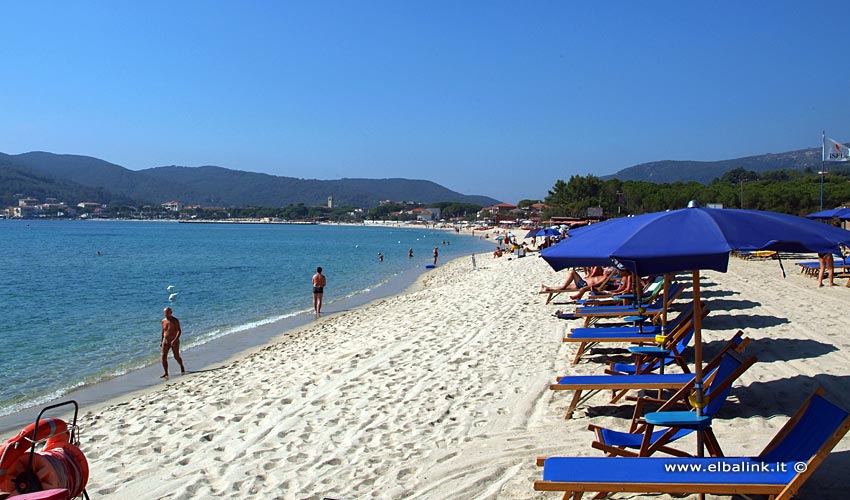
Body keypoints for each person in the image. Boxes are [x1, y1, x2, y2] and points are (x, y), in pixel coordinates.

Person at [541, 267, 610, 294]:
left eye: (606, 269)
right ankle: (548, 288)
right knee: (567, 287)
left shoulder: (604, 277)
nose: (605, 269)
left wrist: (587, 287)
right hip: (583, 283)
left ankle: (561, 287)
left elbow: (597, 284)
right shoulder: (601, 275)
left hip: (584, 285)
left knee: (572, 272)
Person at [160, 307, 185, 379]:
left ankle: (182, 366)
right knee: (163, 356)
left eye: (167, 313)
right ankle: (166, 373)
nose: (166, 314)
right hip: (165, 341)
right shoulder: (163, 321)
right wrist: (161, 341)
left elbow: (179, 331)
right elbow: (163, 332)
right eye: (165, 313)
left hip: (174, 341)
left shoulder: (175, 320)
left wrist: (175, 340)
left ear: (171, 312)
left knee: (176, 356)